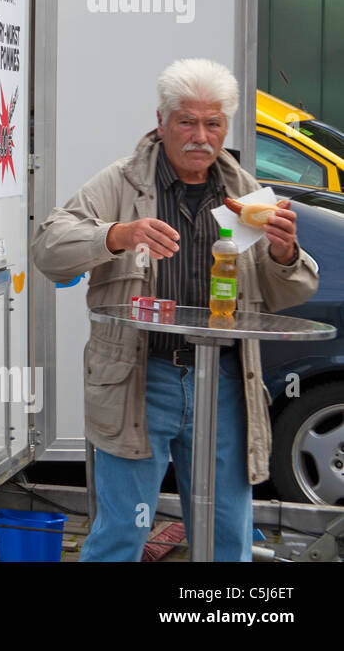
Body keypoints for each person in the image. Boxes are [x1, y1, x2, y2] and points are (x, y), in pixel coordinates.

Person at [31, 58, 317, 561]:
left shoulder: (245, 193)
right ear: (161, 122)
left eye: (213, 123)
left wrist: (283, 254)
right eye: (186, 121)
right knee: (122, 530)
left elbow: (287, 293)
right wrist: (116, 235)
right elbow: (49, 249)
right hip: (140, 379)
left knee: (227, 534)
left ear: (226, 127)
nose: (200, 136)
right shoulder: (121, 183)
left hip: (225, 381)